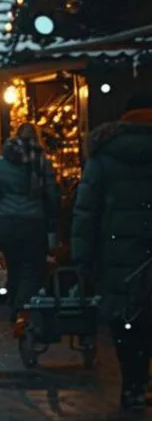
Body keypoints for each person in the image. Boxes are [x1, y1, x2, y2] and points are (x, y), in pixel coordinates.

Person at [72, 93, 152, 411]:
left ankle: (132, 382)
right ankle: (141, 379)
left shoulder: (104, 155)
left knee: (126, 320)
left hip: (119, 254)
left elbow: (86, 212)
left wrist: (83, 261)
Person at [0, 124, 59, 322]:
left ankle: (14, 305)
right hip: (33, 223)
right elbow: (52, 195)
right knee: (31, 267)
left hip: (6, 222)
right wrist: (53, 220)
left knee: (14, 265)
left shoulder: (2, 163)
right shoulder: (42, 163)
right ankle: (21, 308)